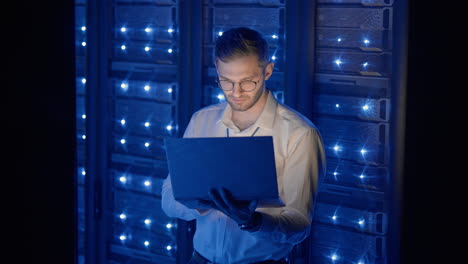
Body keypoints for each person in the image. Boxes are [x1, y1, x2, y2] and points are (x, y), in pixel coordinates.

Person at [161, 27, 326, 264]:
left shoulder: (300, 134)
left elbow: (299, 225)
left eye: (248, 82)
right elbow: (168, 201)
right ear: (217, 70)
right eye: (226, 82)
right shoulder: (202, 120)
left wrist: (253, 220)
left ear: (267, 71)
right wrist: (201, 203)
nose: (236, 93)